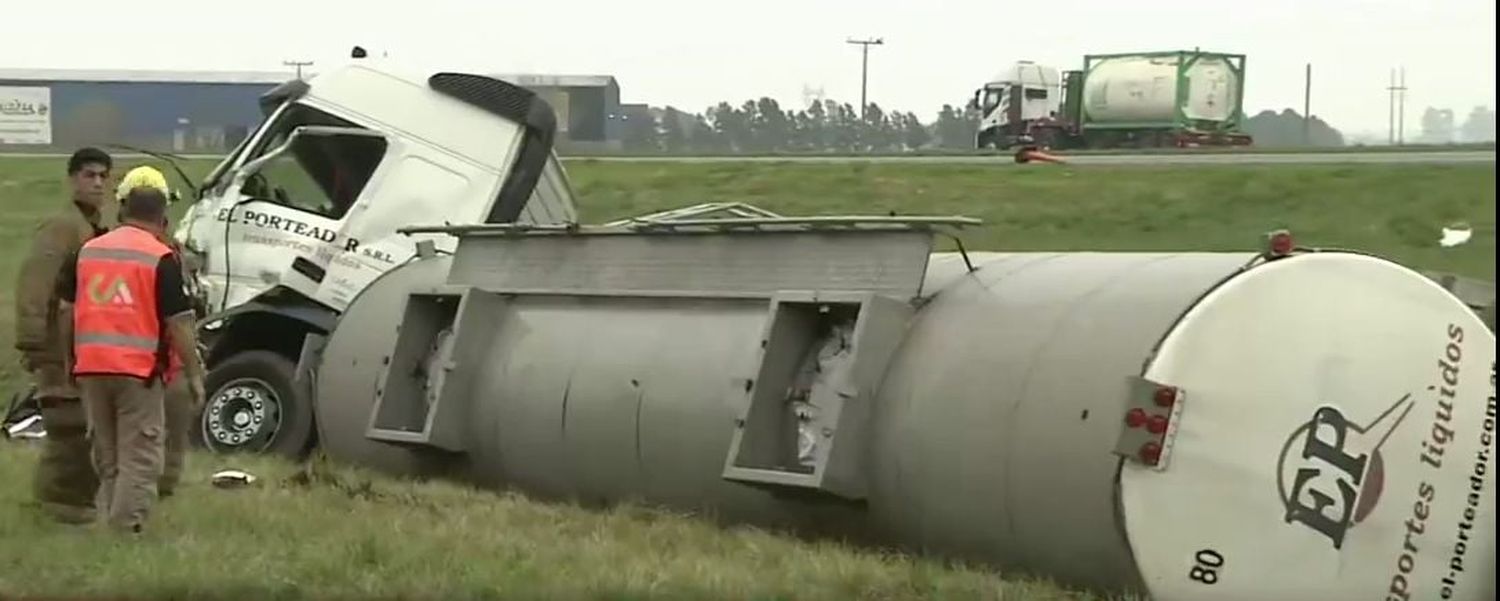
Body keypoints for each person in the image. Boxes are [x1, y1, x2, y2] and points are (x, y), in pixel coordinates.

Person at [59, 185, 205, 534]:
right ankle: (125, 533)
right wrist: (195, 374)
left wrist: (70, 360)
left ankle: (109, 521)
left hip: (91, 366)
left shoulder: (88, 251)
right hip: (137, 372)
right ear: (162, 219)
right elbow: (179, 325)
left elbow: (66, 311)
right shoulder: (160, 257)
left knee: (108, 457)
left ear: (123, 212)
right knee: (139, 457)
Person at [12, 147, 113, 524]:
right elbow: (35, 283)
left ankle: (59, 501)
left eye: (104, 176)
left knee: (76, 422)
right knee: (67, 423)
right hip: (56, 343)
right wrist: (34, 341)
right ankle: (60, 506)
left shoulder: (90, 227)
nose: (98, 183)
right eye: (89, 175)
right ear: (72, 179)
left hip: (79, 344)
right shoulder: (63, 226)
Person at [109, 165, 203, 497]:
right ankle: (142, 505)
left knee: (135, 443)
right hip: (155, 364)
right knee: (157, 443)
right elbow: (182, 316)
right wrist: (194, 372)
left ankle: (139, 500)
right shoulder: (168, 254)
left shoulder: (105, 247)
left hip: (127, 363)